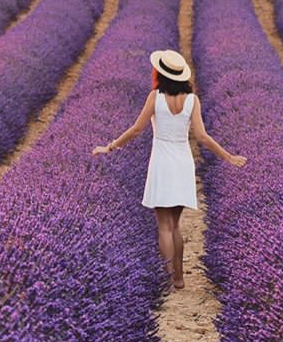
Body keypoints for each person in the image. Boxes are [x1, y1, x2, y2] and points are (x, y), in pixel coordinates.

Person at [91, 49, 247, 289]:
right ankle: (179, 276)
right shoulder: (192, 100)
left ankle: (166, 276)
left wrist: (110, 147)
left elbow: (136, 129)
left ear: (161, 75)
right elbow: (202, 137)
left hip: (162, 161)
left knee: (163, 225)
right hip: (183, 162)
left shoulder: (155, 97)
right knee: (176, 225)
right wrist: (228, 156)